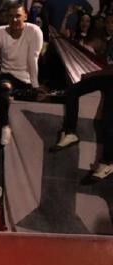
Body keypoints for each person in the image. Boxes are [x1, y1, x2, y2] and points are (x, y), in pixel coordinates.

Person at [50, 13, 113, 181]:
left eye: (112, 22)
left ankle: (107, 161)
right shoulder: (107, 42)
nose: (109, 25)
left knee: (107, 122)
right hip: (107, 78)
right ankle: (70, 132)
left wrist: (92, 75)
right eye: (108, 21)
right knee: (73, 91)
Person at [0, 1, 44, 145]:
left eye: (18, 16)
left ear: (25, 15)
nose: (14, 20)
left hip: (26, 78)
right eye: (11, 16)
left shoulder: (34, 31)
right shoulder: (0, 31)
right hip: (7, 76)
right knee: (3, 88)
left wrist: (35, 84)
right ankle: (4, 126)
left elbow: (33, 58)